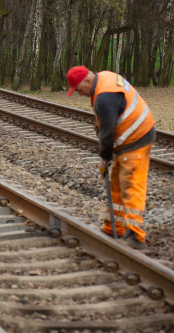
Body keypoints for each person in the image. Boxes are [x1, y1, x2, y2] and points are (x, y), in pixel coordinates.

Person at [66, 66, 155, 250]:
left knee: (131, 183)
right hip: (131, 136)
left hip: (136, 138)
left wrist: (104, 158)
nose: (80, 94)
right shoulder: (105, 78)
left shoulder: (104, 97)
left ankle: (135, 235)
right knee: (116, 181)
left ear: (87, 81)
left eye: (78, 89)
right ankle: (114, 227)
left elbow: (106, 133)